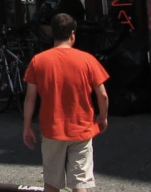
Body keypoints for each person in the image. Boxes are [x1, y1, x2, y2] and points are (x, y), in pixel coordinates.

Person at [23, 13, 109, 192]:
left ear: (52, 33)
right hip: (82, 128)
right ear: (72, 34)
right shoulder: (87, 60)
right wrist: (103, 117)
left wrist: (27, 126)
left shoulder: (38, 61)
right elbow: (103, 95)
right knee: (80, 184)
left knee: (52, 184)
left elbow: (30, 98)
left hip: (52, 129)